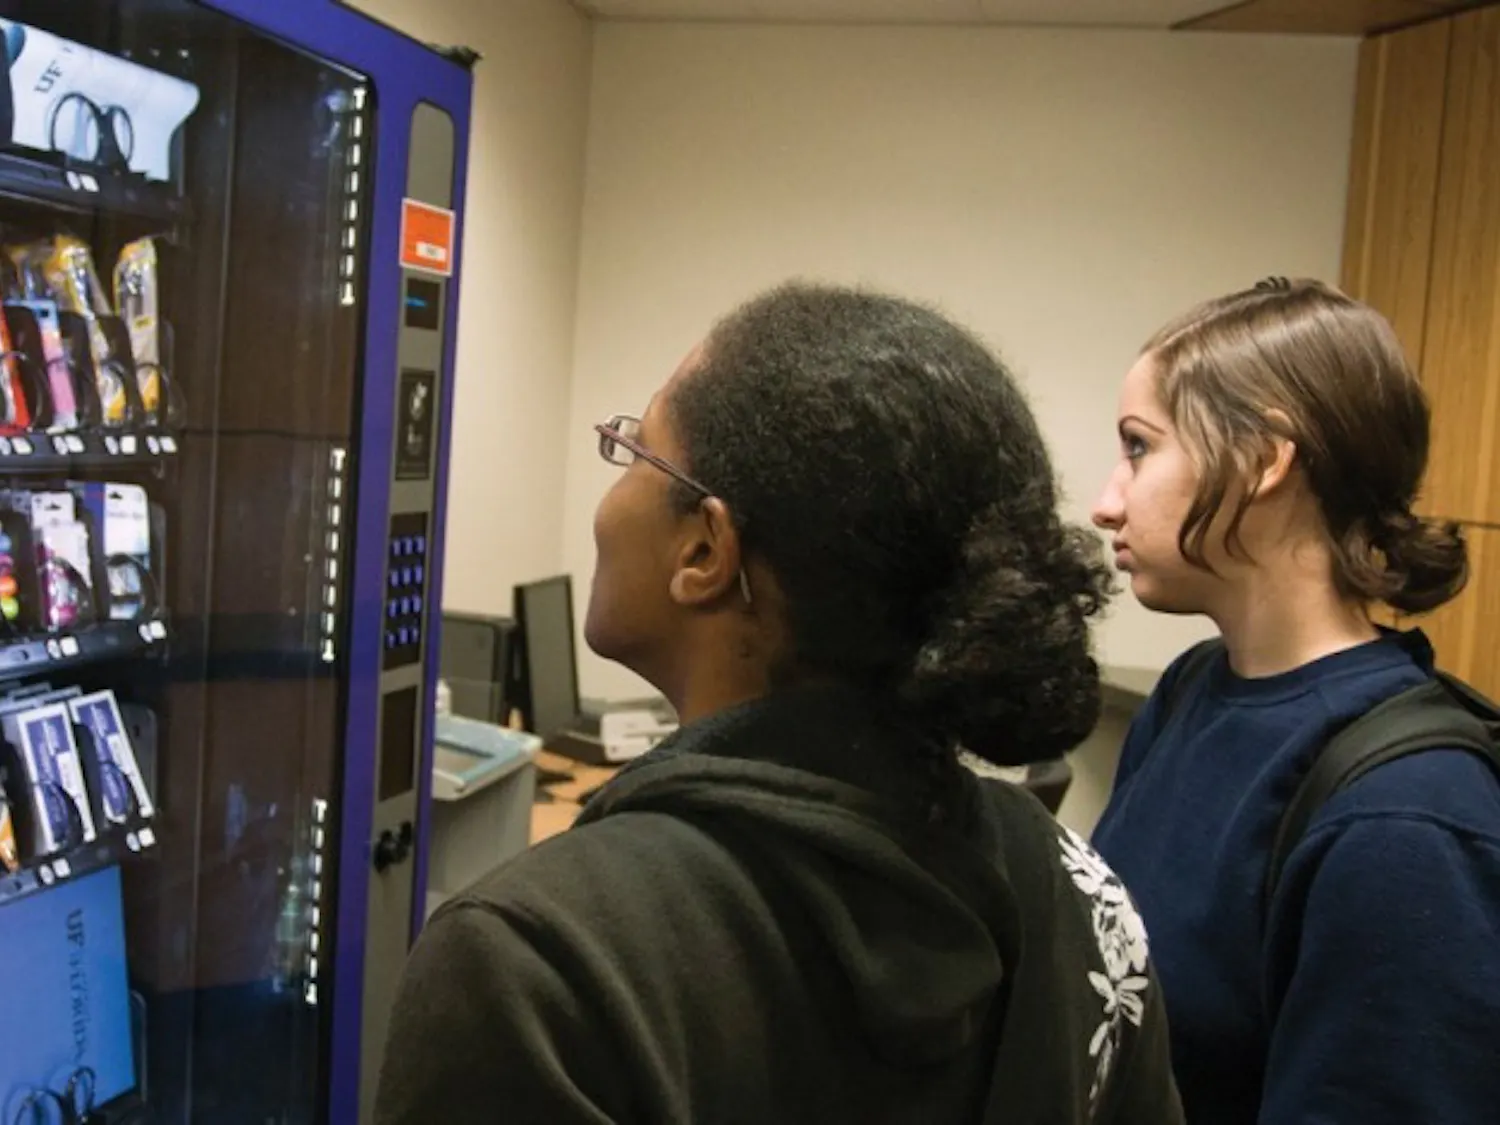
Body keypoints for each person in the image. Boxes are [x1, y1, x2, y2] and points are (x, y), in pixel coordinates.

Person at [375, 283, 1183, 1124]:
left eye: (635, 449)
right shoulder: (1078, 893)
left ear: (705, 549)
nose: (611, 483)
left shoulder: (534, 963)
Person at [1090, 277, 1500, 1125]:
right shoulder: (1189, 693)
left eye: (1139, 447)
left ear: (1264, 459)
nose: (1107, 503)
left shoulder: (1407, 816)